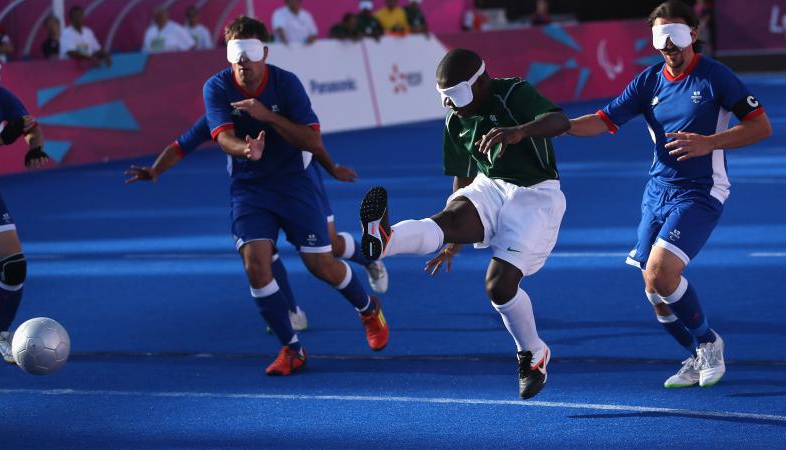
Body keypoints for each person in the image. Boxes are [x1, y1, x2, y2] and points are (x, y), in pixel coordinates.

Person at [567, 0, 772, 389]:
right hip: (657, 190)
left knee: (663, 272)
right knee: (653, 288)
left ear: (694, 35)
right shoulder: (649, 81)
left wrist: (709, 143)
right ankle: (695, 354)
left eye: (676, 37)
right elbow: (603, 120)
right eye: (661, 39)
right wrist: (556, 125)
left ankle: (710, 343)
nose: (669, 47)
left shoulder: (716, 77)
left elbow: (761, 127)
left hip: (701, 189)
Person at [359, 48, 570, 399]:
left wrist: (518, 132)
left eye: (456, 96)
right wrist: (454, 235)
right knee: (445, 220)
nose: (450, 106)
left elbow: (560, 121)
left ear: (482, 83)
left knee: (499, 286)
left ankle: (533, 353)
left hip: (536, 195)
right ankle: (384, 239)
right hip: (490, 185)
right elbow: (463, 177)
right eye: (445, 98)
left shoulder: (512, 93)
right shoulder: (455, 119)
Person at [202, 17, 389, 375]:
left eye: (251, 52)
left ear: (265, 53)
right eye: (236, 53)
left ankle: (368, 309)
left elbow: (312, 140)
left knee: (321, 264)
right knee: (255, 264)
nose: (243, 61)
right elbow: (221, 136)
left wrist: (267, 118)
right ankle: (292, 349)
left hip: (294, 183)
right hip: (250, 189)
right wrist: (244, 150)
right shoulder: (216, 87)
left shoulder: (286, 84)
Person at [124, 115, 389, 321]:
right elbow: (182, 145)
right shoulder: (217, 114)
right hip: (256, 192)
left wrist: (332, 168)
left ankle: (369, 259)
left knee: (328, 247)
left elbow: (310, 139)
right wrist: (156, 169)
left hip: (299, 182)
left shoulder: (273, 102)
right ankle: (291, 311)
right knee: (260, 249)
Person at [0, 43, 49, 363]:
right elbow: (4, 137)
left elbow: (29, 126)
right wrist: (4, 139)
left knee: (14, 264)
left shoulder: (0, 97)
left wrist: (33, 146)